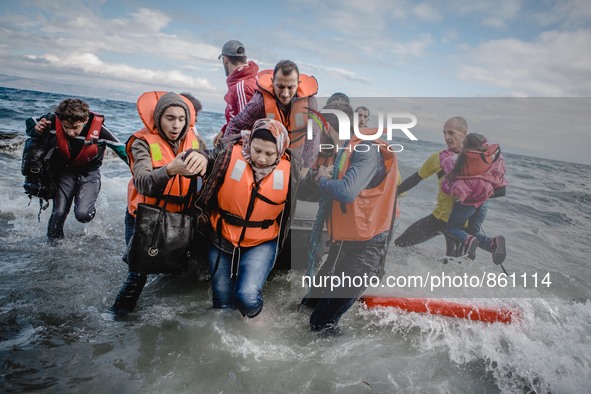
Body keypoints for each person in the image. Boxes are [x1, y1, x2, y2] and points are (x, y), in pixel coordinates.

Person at [301, 101, 399, 332]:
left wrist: (323, 179)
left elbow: (346, 192)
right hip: (345, 245)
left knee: (320, 324)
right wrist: (316, 178)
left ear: (325, 128)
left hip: (367, 251)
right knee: (306, 306)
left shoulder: (365, 151)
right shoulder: (344, 151)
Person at [110, 91, 208, 315]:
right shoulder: (142, 143)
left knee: (177, 267)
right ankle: (117, 318)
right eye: (170, 118)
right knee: (137, 276)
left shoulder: (194, 141)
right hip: (144, 216)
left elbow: (210, 162)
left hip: (178, 216)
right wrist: (170, 169)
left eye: (181, 119)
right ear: (158, 119)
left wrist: (206, 158)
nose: (176, 125)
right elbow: (143, 183)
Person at [206, 118, 299, 318]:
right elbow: (206, 158)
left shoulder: (292, 171)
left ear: (280, 151)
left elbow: (315, 191)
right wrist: (195, 155)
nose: (262, 159)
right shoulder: (228, 154)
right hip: (221, 235)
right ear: (249, 143)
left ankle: (259, 315)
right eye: (257, 150)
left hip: (262, 240)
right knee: (221, 304)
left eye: (269, 153)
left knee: (246, 298)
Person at [25, 98, 126, 245]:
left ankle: (88, 203)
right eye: (66, 127)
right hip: (64, 172)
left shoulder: (101, 131)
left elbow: (123, 151)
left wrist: (142, 173)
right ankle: (53, 246)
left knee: (83, 215)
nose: (70, 132)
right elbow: (30, 122)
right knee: (58, 213)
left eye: (75, 127)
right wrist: (36, 128)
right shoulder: (51, 120)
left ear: (85, 120)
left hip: (89, 173)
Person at [223, 59, 320, 177]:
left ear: (298, 84)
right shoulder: (260, 101)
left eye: (290, 87)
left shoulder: (309, 102)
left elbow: (312, 136)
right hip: (265, 159)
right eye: (280, 86)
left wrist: (303, 169)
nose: (285, 93)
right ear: (272, 81)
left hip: (295, 160)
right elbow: (236, 125)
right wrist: (224, 156)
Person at [394, 117, 469, 256]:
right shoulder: (438, 158)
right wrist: (394, 193)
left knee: (453, 267)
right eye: (444, 133)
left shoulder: (474, 161)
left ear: (463, 134)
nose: (447, 137)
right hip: (437, 218)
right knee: (400, 244)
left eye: (451, 133)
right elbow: (417, 177)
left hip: (460, 226)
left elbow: (494, 189)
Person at [440, 133, 507, 264]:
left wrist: (446, 154)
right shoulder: (491, 159)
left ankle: (468, 240)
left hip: (467, 202)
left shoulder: (461, 158)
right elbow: (500, 180)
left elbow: (446, 165)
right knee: (473, 231)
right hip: (484, 202)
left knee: (452, 228)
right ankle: (493, 243)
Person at [213, 40, 259, 143]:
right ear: (245, 59)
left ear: (225, 59)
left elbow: (245, 124)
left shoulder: (241, 86)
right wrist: (224, 130)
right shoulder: (251, 79)